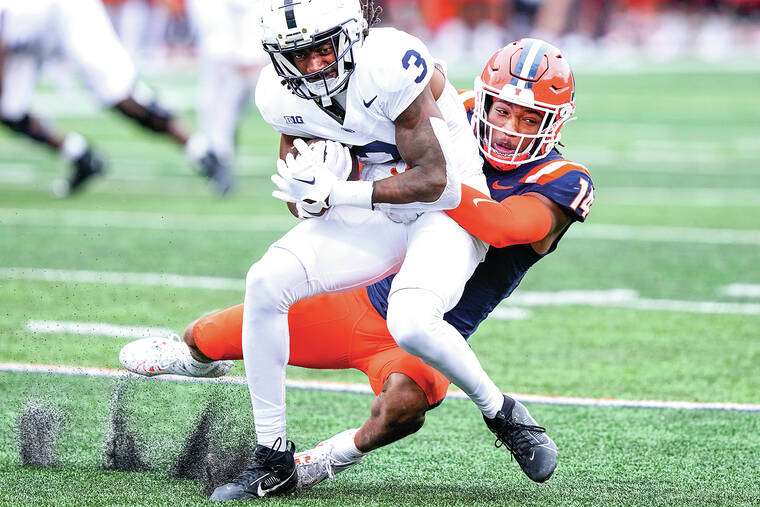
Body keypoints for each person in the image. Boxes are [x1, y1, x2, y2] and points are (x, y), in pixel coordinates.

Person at [121, 35, 594, 496]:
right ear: (485, 101)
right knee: (209, 333)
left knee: (405, 403)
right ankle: (195, 361)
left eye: (530, 118)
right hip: (356, 294)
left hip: (432, 332)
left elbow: (503, 226)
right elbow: (396, 103)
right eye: (503, 111)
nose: (511, 127)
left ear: (555, 123)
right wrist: (324, 172)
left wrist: (415, 178)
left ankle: (323, 461)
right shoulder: (456, 112)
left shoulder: (562, 181)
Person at [0, 0, 230, 196]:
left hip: (64, 11)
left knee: (120, 94)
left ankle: (203, 152)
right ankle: (81, 157)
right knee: (10, 111)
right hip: (22, 32)